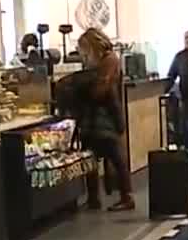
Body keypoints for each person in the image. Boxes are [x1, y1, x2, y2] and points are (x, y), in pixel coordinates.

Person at [55, 28, 134, 211]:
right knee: (96, 156)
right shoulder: (104, 61)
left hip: (103, 116)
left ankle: (123, 197)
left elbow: (100, 90)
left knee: (113, 157)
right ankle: (97, 198)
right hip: (98, 116)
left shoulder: (108, 60)